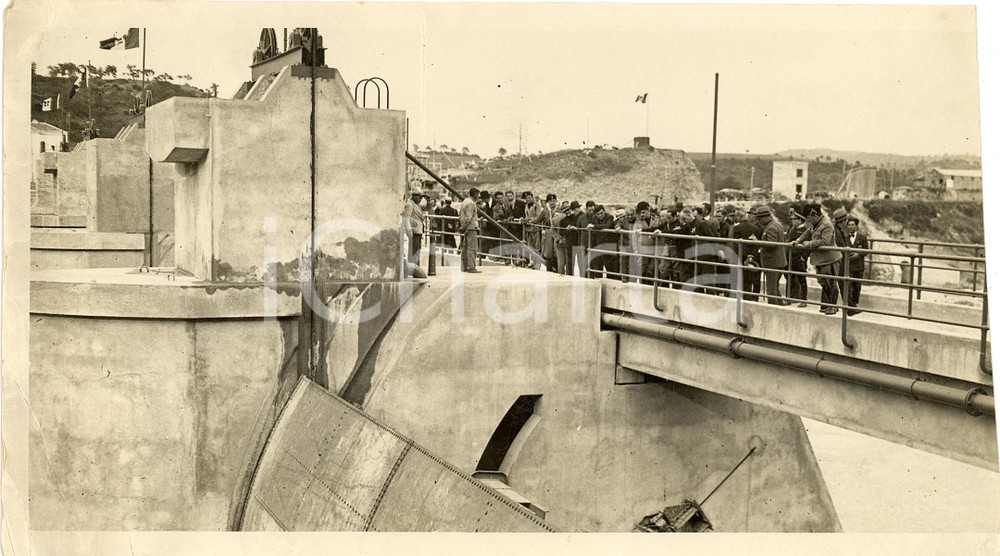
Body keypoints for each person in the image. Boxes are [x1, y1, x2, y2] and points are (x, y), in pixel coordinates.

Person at [794, 204, 842, 314]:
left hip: (830, 259)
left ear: (814, 215)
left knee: (831, 282)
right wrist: (797, 241)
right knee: (823, 282)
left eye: (809, 218)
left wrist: (808, 244)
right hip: (820, 259)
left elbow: (825, 241)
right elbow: (807, 233)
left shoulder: (826, 225)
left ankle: (833, 306)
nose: (808, 221)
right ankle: (829, 305)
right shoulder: (816, 224)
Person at [753, 205, 788, 305]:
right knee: (774, 288)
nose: (759, 221)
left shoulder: (771, 228)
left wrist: (757, 242)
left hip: (773, 263)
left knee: (771, 289)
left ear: (765, 217)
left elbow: (771, 244)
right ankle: (779, 305)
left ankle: (773, 308)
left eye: (760, 219)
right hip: (777, 262)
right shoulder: (775, 225)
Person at [729, 206, 761, 301]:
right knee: (750, 280)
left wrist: (745, 255)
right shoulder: (755, 228)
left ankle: (741, 300)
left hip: (740, 257)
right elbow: (756, 244)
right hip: (752, 258)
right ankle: (751, 299)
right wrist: (751, 256)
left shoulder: (737, 228)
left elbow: (736, 245)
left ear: (739, 216)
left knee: (740, 280)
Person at [844, 216, 869, 315]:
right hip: (848, 266)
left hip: (858, 266)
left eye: (852, 225)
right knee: (848, 285)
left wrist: (858, 254)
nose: (850, 227)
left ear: (856, 226)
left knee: (857, 285)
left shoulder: (862, 238)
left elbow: (866, 250)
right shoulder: (845, 238)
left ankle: (855, 303)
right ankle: (850, 307)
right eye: (849, 225)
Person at [785, 207, 810, 307]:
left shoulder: (805, 231)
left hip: (799, 259)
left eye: (794, 219)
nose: (792, 221)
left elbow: (809, 247)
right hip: (791, 258)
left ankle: (804, 300)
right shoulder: (792, 230)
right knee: (789, 278)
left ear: (800, 220)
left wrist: (804, 257)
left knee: (802, 279)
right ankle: (788, 298)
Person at [587, 205, 619, 278]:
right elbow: (590, 226)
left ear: (604, 211)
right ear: (596, 214)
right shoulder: (594, 218)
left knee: (610, 269)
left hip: (609, 247)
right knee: (598, 269)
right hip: (599, 246)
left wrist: (594, 226)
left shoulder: (609, 217)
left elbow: (607, 226)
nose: (600, 215)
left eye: (602, 213)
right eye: (598, 214)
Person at [459, 188, 481, 273]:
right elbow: (468, 217)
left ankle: (464, 266)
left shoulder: (465, 201)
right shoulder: (471, 203)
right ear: (475, 194)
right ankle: (471, 267)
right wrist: (464, 227)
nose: (479, 196)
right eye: (478, 194)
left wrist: (463, 227)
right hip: (471, 227)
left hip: (467, 228)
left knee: (465, 248)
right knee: (472, 248)